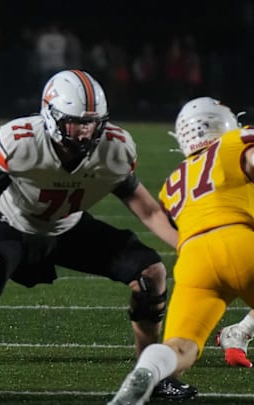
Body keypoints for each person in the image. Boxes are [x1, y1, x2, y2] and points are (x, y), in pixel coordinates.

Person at [0, 69, 197, 404]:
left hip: (68, 226)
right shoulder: (20, 141)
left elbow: (149, 211)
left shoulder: (115, 149)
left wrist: (189, 245)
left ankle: (150, 375)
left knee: (150, 273)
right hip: (11, 223)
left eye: (92, 123)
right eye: (75, 122)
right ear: (50, 116)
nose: (85, 131)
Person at [109, 97, 254, 404]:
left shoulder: (174, 180)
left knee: (180, 347)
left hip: (194, 262)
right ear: (224, 123)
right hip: (242, 244)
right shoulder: (234, 142)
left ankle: (148, 368)